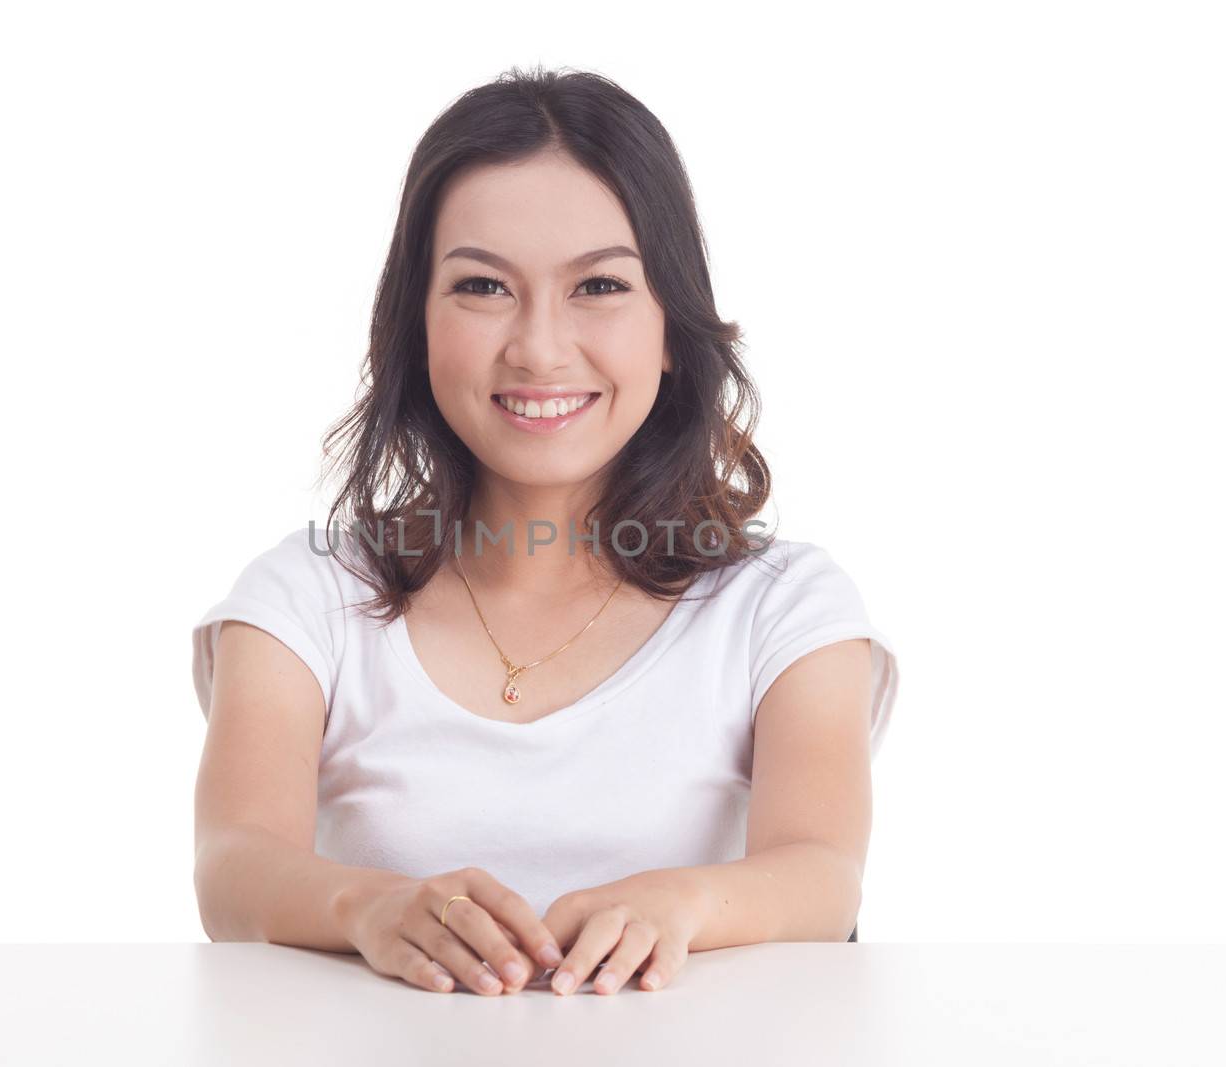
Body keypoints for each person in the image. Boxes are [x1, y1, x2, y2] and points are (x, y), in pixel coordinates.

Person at [188, 65, 899, 998]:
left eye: (598, 285)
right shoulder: (307, 596)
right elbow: (233, 867)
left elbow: (821, 870)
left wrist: (679, 904)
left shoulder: (785, 607)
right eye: (483, 286)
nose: (539, 347)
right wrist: (368, 906)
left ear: (671, 327)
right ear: (414, 323)